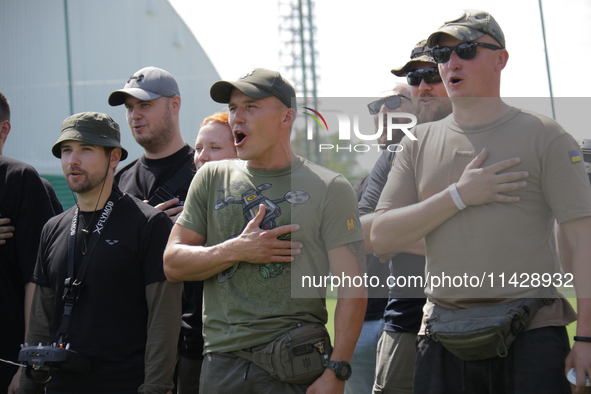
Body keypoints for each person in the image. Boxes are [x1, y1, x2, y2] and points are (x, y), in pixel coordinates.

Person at [371, 10, 591, 393]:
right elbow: (380, 238)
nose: (452, 63)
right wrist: (458, 196)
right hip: (441, 336)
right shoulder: (416, 144)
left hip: (531, 334)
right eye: (442, 56)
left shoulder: (548, 136)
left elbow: (583, 242)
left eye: (467, 50)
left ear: (501, 59)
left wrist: (587, 339)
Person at [163, 68, 367, 394]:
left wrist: (337, 370)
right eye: (232, 108)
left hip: (297, 362)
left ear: (286, 117)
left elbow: (353, 286)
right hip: (221, 364)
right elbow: (172, 264)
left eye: (251, 107)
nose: (236, 118)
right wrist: (237, 250)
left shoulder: (330, 187)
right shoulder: (210, 177)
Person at [18, 112, 181, 394]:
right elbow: (40, 320)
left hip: (125, 384)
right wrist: (27, 385)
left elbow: (163, 316)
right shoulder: (52, 228)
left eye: (86, 149)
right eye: (66, 150)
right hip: (59, 386)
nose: (73, 160)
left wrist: (155, 386)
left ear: (114, 157)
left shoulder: (148, 223)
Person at [365, 41, 452, 394]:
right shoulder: (395, 155)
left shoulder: (495, 140)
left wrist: (400, 231)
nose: (422, 85)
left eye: (430, 74)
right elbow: (363, 234)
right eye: (414, 78)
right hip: (405, 322)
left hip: (490, 320)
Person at [345, 83, 412, 394]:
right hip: (361, 323)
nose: (383, 110)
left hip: (409, 322)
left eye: (395, 101)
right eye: (376, 105)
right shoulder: (360, 185)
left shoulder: (432, 165)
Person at [176, 112, 237, 394]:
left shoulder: (257, 207)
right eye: (199, 148)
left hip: (243, 349)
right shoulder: (188, 211)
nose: (202, 156)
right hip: (192, 345)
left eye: (215, 148)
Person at [0, 92, 57, 393]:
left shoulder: (20, 180)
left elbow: (37, 283)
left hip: (8, 361)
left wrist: (28, 361)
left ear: (4, 129)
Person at [108, 66, 195, 221]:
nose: (134, 115)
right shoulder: (118, 180)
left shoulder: (205, 170)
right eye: (129, 107)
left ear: (174, 105)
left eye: (144, 104)